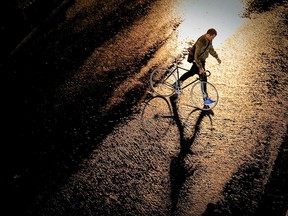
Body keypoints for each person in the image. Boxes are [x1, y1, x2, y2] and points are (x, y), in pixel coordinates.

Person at [174, 28, 222, 105]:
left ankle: (176, 83)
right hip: (198, 61)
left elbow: (211, 49)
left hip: (202, 61)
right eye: (212, 37)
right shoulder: (201, 41)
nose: (213, 39)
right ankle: (205, 98)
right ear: (208, 35)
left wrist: (217, 57)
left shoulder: (209, 40)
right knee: (203, 78)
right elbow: (196, 56)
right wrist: (200, 67)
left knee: (191, 73)